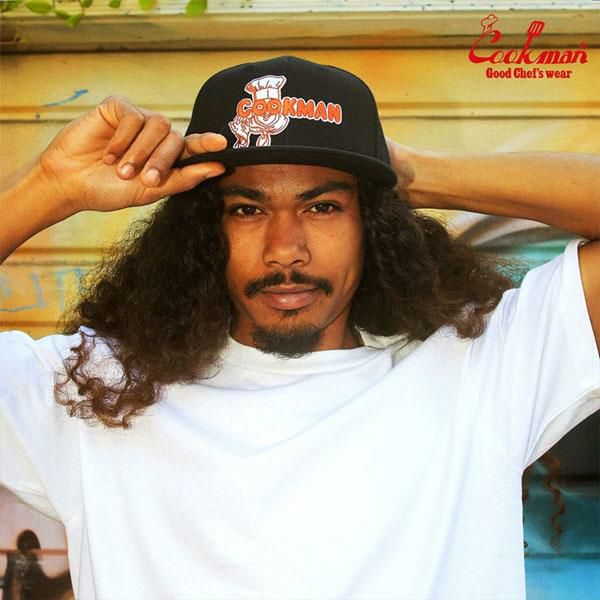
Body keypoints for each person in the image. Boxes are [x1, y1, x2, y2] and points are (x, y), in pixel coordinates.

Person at [0, 56, 598, 600]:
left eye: (323, 206)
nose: (285, 248)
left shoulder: (477, 372)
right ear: (202, 232)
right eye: (247, 209)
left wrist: (410, 174)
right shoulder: (97, 391)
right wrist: (49, 185)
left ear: (373, 225)